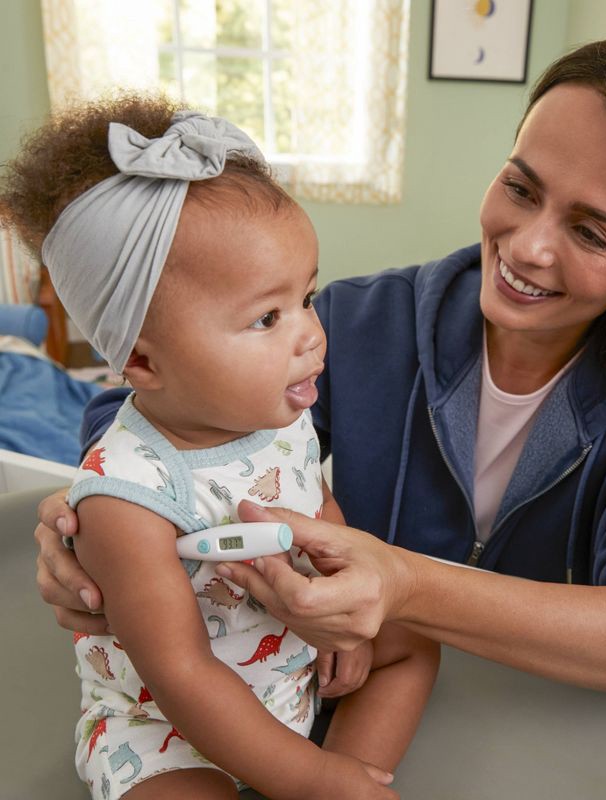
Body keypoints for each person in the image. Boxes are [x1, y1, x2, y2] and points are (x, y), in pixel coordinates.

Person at [34, 35, 606, 707]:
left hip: (531, 725)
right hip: (340, 693)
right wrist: (98, 516)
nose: (526, 246)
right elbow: (180, 397)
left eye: (590, 231)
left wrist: (405, 585)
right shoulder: (368, 320)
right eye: (521, 189)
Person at [1, 96, 438, 800]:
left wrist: (345, 626)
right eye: (267, 317)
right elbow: (180, 672)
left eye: (307, 296)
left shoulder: (279, 409)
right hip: (169, 726)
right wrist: (309, 775)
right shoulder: (126, 498)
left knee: (413, 646)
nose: (309, 334)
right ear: (143, 364)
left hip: (290, 656)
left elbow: (316, 502)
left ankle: (351, 773)